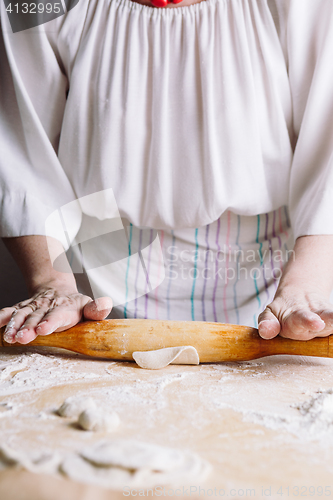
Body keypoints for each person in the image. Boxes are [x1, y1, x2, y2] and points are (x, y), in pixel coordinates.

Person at [1, 0, 333, 346]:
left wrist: (305, 288)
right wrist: (52, 284)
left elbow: (328, 147)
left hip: (275, 281)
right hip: (95, 289)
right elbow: (19, 142)